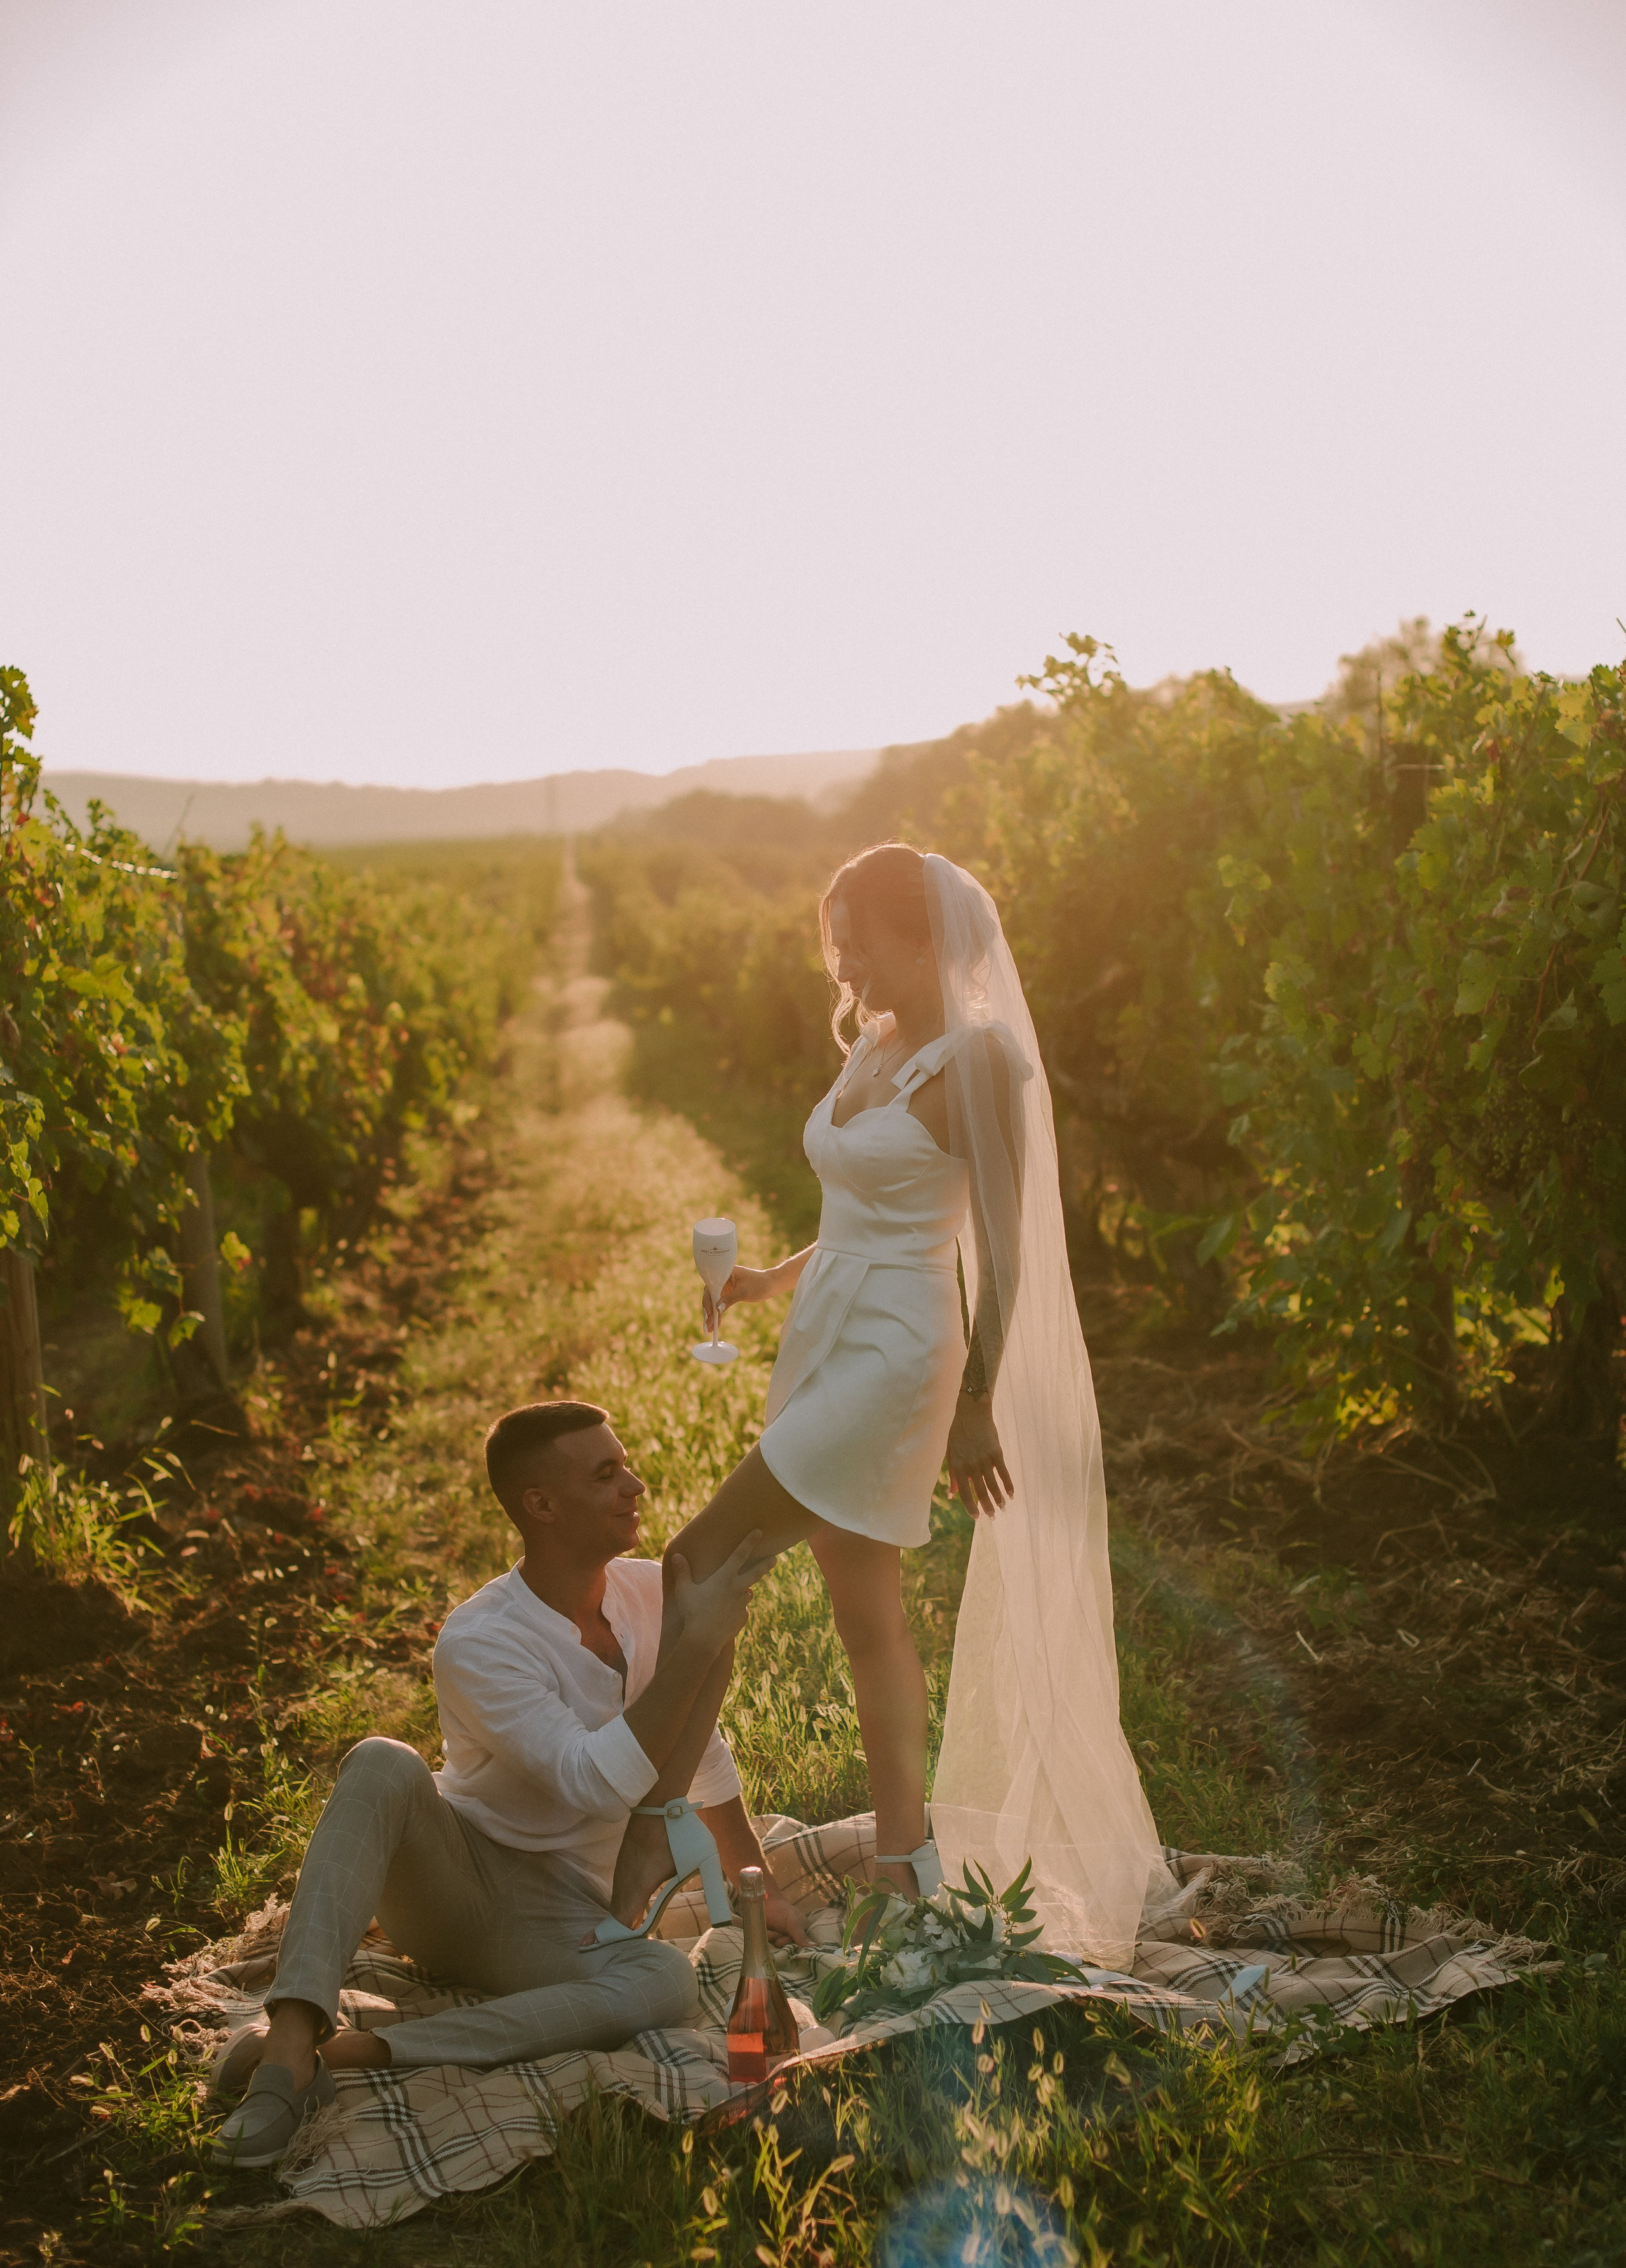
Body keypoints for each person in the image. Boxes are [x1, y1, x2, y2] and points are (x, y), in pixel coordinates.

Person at [605, 844, 1167, 1969]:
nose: (841, 954)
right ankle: (908, 1869)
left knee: (696, 1565)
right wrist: (769, 1280)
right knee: (865, 1613)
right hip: (834, 1331)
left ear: (925, 937)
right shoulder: (877, 1044)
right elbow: (872, 1208)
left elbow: (1004, 1253)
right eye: (836, 932)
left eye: (857, 932)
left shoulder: (981, 1063)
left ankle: (660, 1834)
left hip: (904, 1356)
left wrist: (974, 1402)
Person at [212, 1398, 802, 2170]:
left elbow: (700, 1741)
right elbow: (594, 1783)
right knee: (384, 1759)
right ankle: (288, 2046)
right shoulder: (481, 1640)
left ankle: (362, 2050)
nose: (637, 1485)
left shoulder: (645, 1593)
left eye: (624, 1464)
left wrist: (749, 1869)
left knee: (662, 1981)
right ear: (541, 1505)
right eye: (607, 1474)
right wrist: (699, 1646)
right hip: (458, 1885)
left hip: (562, 1913)